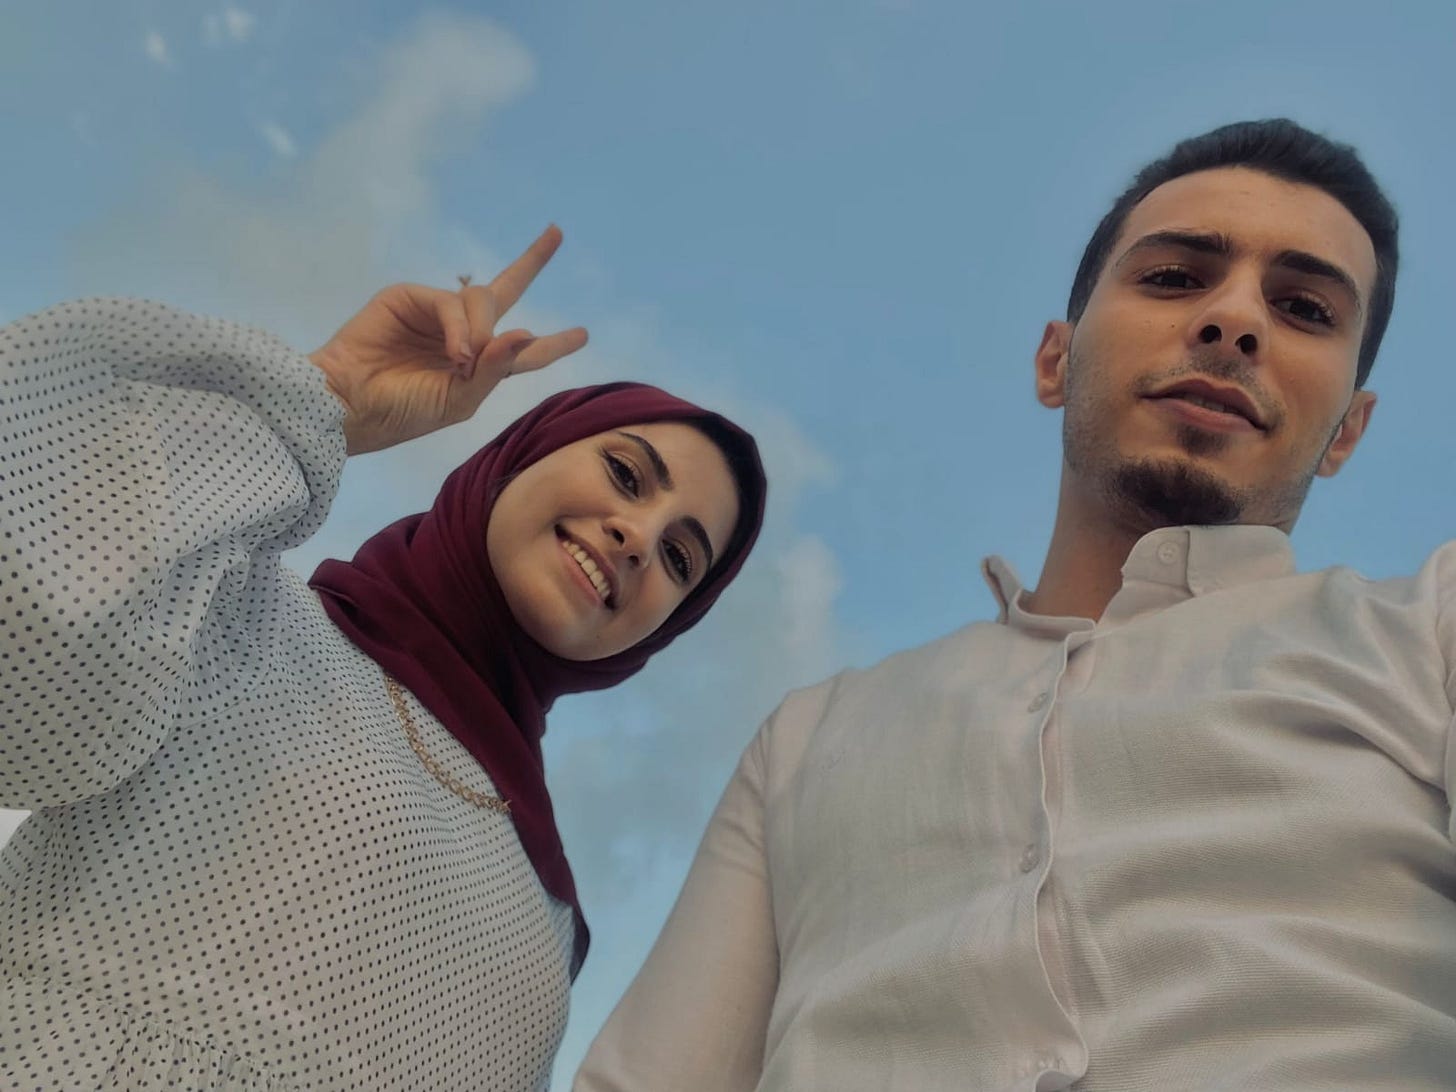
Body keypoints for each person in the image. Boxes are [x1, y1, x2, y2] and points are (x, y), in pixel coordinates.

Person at [574, 119, 1456, 1090]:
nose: (1234, 320)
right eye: (1173, 278)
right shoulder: (807, 739)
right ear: (1054, 360)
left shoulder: (1428, 633)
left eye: (1302, 308)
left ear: (1348, 431)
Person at [0, 227, 767, 1091]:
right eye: (628, 476)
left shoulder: (552, 918)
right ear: (519, 458)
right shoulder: (240, 616)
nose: (638, 537)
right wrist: (327, 395)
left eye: (680, 560)